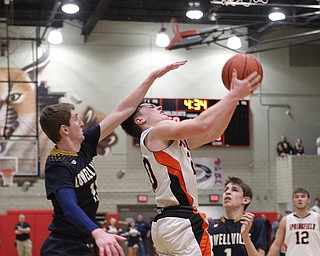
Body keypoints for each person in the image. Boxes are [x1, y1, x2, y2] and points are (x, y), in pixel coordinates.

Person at [39, 60, 187, 256]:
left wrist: (152, 77)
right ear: (65, 129)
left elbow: (123, 110)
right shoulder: (57, 165)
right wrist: (97, 231)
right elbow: (69, 206)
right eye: (76, 118)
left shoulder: (84, 145)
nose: (82, 122)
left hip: (79, 243)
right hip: (62, 246)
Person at [121, 69, 261, 256]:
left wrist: (234, 101)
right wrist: (234, 94)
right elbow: (202, 124)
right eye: (150, 107)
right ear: (140, 119)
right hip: (183, 221)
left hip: (166, 223)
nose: (157, 107)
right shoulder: (157, 131)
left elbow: (212, 133)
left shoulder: (167, 140)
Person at [208, 177, 267, 256]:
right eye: (226, 190)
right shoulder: (210, 226)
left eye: (234, 190)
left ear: (245, 200)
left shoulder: (254, 223)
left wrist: (245, 237)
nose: (227, 192)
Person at [267, 188, 320, 256]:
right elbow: (277, 245)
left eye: (303, 196)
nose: (300, 199)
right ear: (293, 201)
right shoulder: (285, 220)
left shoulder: (317, 218)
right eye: (296, 197)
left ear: (308, 200)